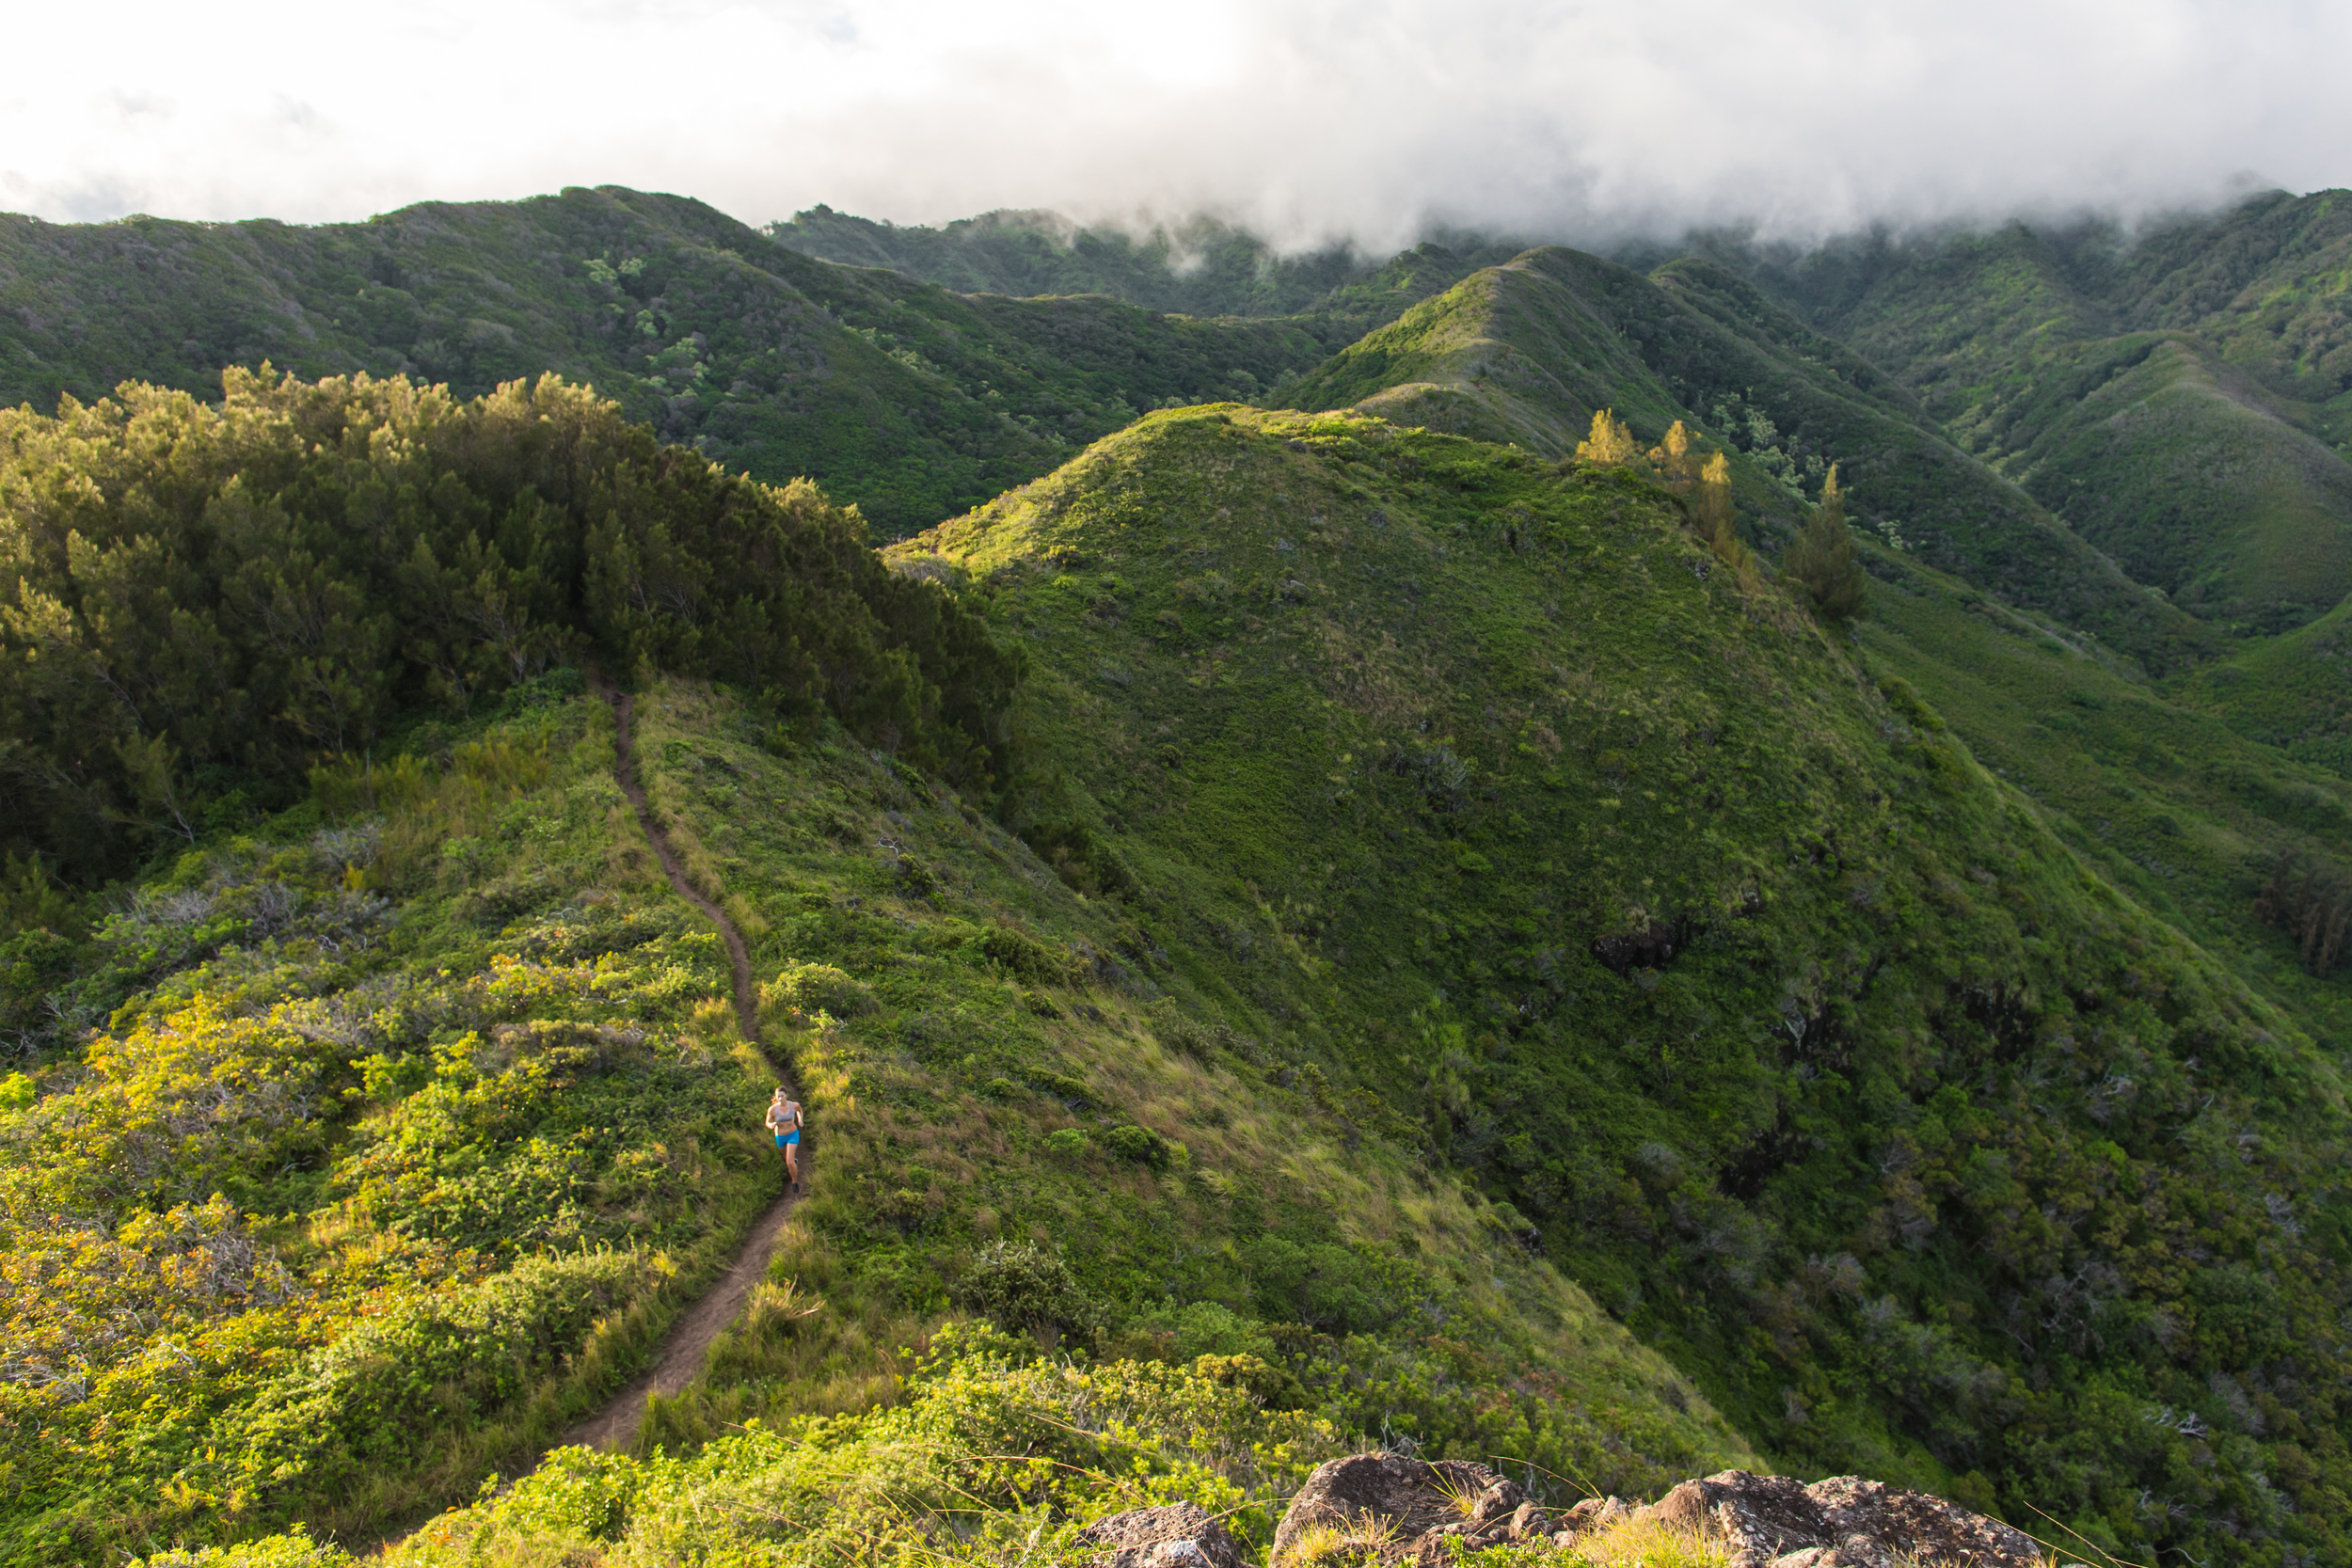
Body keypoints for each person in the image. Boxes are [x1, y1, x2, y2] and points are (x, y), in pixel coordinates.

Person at [765, 1085, 804, 1194]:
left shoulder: (794, 1105)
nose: (781, 1098)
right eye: (778, 1097)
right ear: (776, 1097)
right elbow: (767, 1122)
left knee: (789, 1161)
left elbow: (799, 1111)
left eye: (782, 1096)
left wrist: (800, 1119)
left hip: (792, 1134)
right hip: (780, 1137)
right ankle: (792, 1163)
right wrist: (771, 1125)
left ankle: (794, 1183)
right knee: (785, 1158)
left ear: (786, 1095)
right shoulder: (773, 1109)